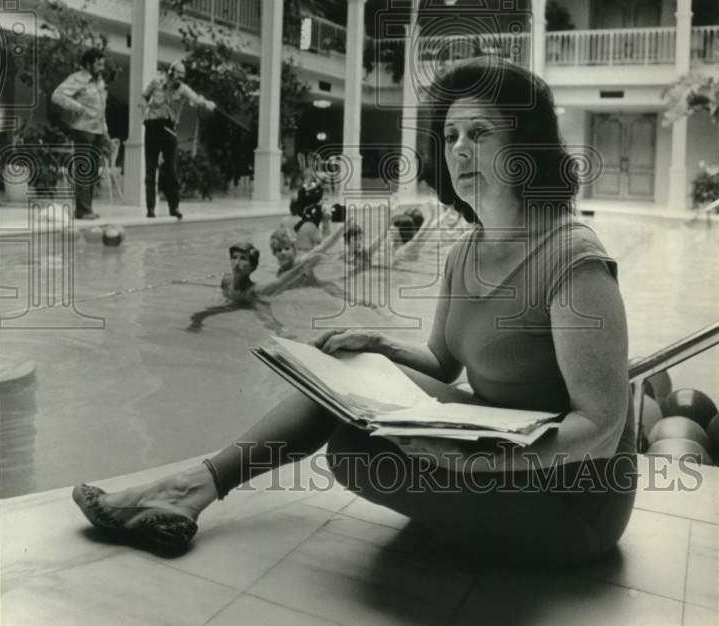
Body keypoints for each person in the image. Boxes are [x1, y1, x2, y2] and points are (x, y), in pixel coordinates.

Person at [73, 57, 636, 567]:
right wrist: (382, 347)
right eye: (451, 135)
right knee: (342, 378)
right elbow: (442, 362)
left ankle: (186, 491)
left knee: (356, 454)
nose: (460, 148)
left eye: (481, 133)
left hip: (570, 500)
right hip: (500, 446)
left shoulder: (572, 258)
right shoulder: (468, 249)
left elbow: (602, 429)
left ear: (526, 148)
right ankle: (192, 489)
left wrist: (472, 465)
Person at [142, 60, 215, 219]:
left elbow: (196, 99)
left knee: (170, 171)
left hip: (169, 131)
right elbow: (144, 97)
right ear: (170, 72)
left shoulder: (183, 89)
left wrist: (207, 103)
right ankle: (150, 210)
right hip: (153, 128)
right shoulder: (156, 82)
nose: (180, 79)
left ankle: (173, 207)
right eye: (178, 75)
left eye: (182, 76)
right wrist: (143, 114)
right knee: (150, 170)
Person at [51, 47, 112, 220]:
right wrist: (78, 107)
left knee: (93, 171)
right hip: (82, 129)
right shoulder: (77, 78)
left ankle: (87, 209)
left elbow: (102, 110)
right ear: (88, 63)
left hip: (98, 130)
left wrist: (106, 132)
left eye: (102, 64)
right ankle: (82, 210)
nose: (102, 67)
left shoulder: (99, 83)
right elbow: (57, 95)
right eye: (98, 64)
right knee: (84, 170)